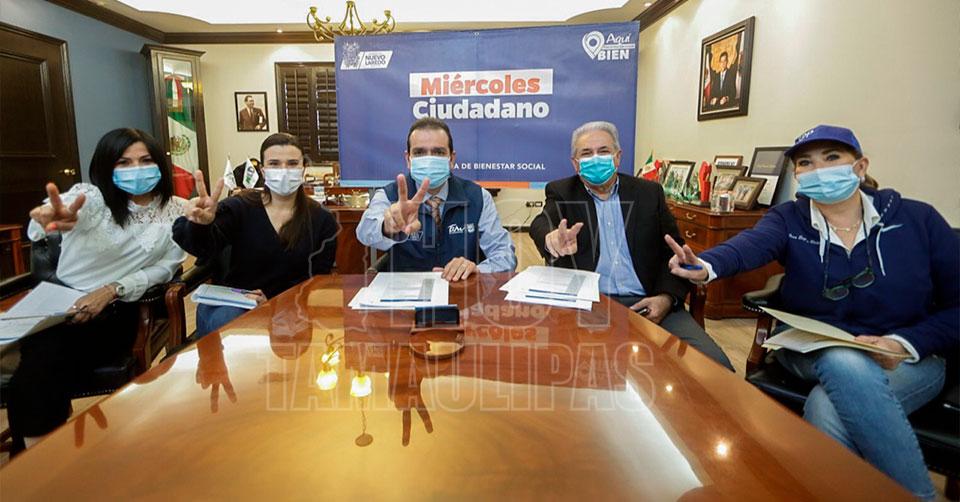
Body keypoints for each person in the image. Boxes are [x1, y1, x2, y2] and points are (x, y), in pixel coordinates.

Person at [666, 124, 959, 500]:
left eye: (832, 158)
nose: (818, 170)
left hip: (905, 358)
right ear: (797, 174)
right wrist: (705, 265)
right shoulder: (789, 218)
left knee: (825, 406)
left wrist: (904, 343)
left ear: (860, 166)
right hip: (812, 347)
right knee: (843, 358)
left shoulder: (918, 220)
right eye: (806, 163)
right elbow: (749, 245)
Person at [6, 128, 187, 449]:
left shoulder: (177, 210)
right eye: (123, 162)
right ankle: (41, 455)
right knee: (38, 363)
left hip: (116, 310)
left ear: (160, 163)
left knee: (38, 366)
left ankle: (34, 458)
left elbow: (165, 268)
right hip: (57, 304)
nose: (136, 169)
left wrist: (112, 289)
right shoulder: (93, 199)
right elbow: (65, 210)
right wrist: (53, 215)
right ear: (106, 166)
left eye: (145, 160)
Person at [529, 121, 733, 370]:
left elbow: (674, 253)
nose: (596, 159)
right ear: (575, 163)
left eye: (604, 151)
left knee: (714, 366)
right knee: (570, 369)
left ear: (617, 157)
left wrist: (666, 298)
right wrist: (550, 238)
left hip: (649, 302)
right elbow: (541, 223)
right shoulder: (562, 191)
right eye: (586, 153)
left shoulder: (649, 193)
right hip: (588, 305)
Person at [173, 133, 338, 338]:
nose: (284, 171)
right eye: (274, 164)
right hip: (232, 304)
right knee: (230, 319)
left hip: (289, 311)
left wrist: (272, 303)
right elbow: (202, 248)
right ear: (263, 170)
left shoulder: (322, 219)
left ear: (303, 168)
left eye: (292, 163)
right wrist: (201, 225)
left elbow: (317, 281)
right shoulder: (240, 207)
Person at [356, 117, 516, 281]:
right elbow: (364, 232)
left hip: (461, 290)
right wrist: (389, 226)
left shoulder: (478, 197)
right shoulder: (390, 195)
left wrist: (477, 270)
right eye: (419, 153)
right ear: (408, 159)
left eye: (438, 152)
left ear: (451, 159)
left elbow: (505, 256)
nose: (429, 160)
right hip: (406, 292)